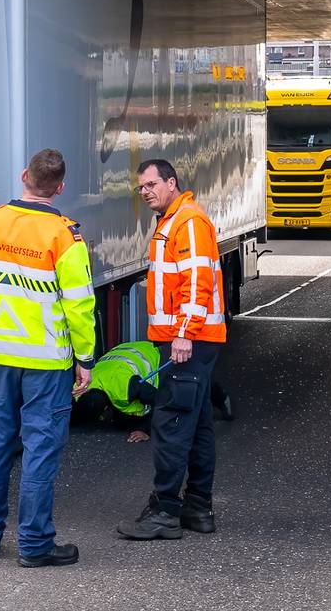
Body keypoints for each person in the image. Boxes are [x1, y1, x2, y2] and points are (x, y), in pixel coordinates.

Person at [0, 148, 96, 567]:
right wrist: (85, 358)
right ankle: (34, 545)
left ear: (23, 176)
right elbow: (79, 306)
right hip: (46, 364)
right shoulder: (63, 236)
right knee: (39, 448)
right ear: (59, 188)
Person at [117, 159, 226, 542]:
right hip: (193, 340)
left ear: (171, 182)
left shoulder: (188, 222)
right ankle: (198, 509)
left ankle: (164, 511)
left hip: (189, 342)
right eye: (140, 187)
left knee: (172, 424)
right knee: (196, 427)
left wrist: (184, 333)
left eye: (151, 184)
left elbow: (199, 281)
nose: (145, 192)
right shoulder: (173, 220)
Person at [72, 339, 234, 442]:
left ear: (107, 404)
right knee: (122, 421)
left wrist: (146, 430)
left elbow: (161, 401)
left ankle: (218, 394)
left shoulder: (127, 386)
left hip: (150, 353)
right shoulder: (80, 389)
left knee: (184, 383)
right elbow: (74, 416)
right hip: (123, 354)